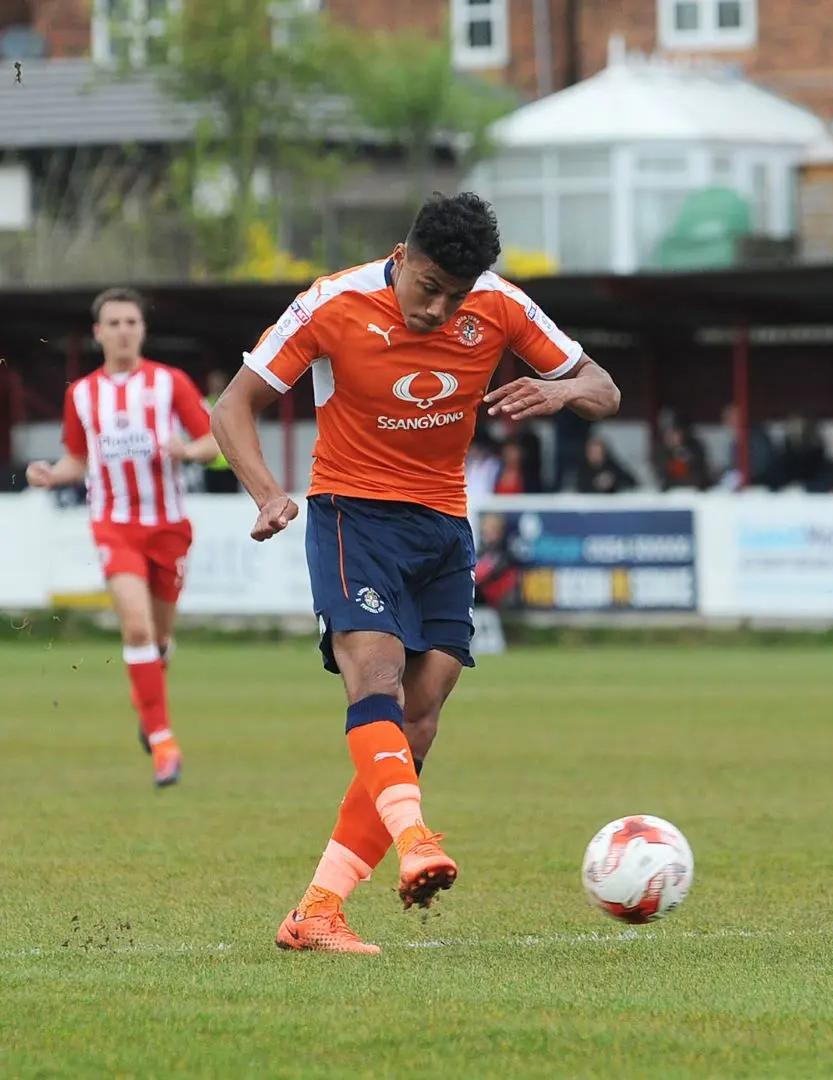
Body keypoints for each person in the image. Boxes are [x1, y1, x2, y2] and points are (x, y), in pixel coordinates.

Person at [210, 192, 621, 954]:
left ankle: (318, 912)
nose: (439, 310)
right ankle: (417, 841)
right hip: (352, 516)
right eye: (428, 288)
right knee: (377, 674)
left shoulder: (498, 305)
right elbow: (234, 405)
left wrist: (561, 389)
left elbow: (604, 386)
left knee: (421, 713)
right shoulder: (332, 304)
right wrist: (268, 493)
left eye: (455, 296)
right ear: (402, 257)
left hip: (441, 526)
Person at [25, 287, 219, 787]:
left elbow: (212, 440)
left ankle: (147, 704)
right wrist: (52, 473)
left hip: (169, 526)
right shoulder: (82, 395)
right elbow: (77, 458)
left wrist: (187, 450)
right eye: (113, 323)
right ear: (98, 333)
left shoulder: (169, 383)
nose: (123, 330)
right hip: (114, 524)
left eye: (131, 322)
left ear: (142, 329)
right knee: (135, 630)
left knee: (159, 638)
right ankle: (162, 743)